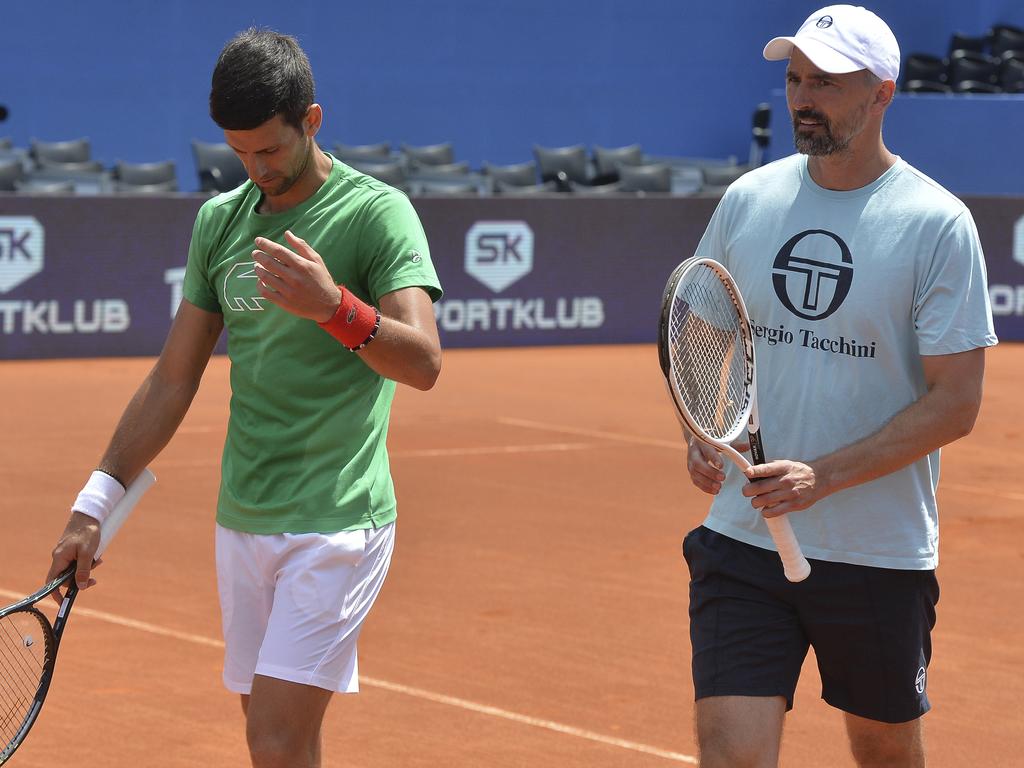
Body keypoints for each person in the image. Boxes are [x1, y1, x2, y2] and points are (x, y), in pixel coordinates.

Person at [46, 28, 442, 768]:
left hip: (337, 521)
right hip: (244, 519)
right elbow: (174, 376)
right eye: (239, 152)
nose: (256, 169)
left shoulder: (376, 213)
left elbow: (423, 362)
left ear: (311, 121)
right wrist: (94, 506)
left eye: (271, 150)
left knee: (275, 741)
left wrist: (334, 307)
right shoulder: (219, 223)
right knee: (283, 740)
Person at [679, 6, 997, 768]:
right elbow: (702, 332)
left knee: (884, 753)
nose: (802, 97)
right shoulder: (749, 199)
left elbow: (957, 402)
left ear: (882, 93)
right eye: (794, 79)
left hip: (876, 554)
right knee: (731, 755)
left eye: (825, 80)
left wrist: (822, 476)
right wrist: (700, 429)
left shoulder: (936, 224)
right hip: (742, 539)